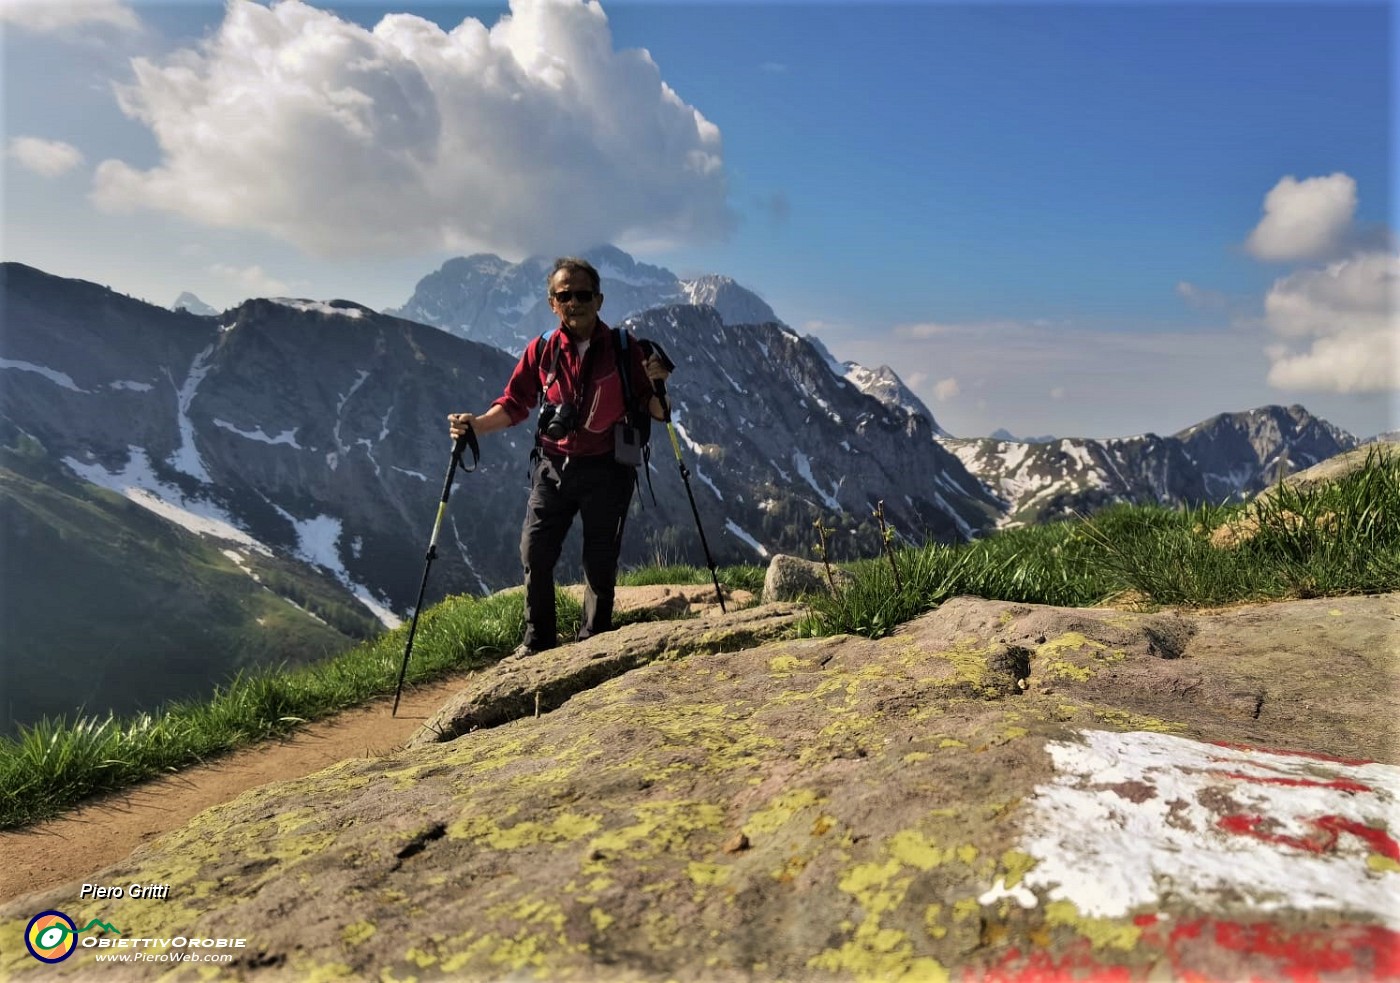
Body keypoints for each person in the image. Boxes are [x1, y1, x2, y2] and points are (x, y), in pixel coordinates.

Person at [448, 257, 672, 657]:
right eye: (564, 295)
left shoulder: (624, 349)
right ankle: (538, 644)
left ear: (599, 300)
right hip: (553, 467)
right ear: (553, 303)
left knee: (600, 562)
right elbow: (516, 403)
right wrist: (476, 424)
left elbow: (655, 411)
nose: (574, 302)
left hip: (608, 470)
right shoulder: (543, 350)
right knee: (535, 552)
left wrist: (657, 384)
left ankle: (594, 646)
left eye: (583, 294)